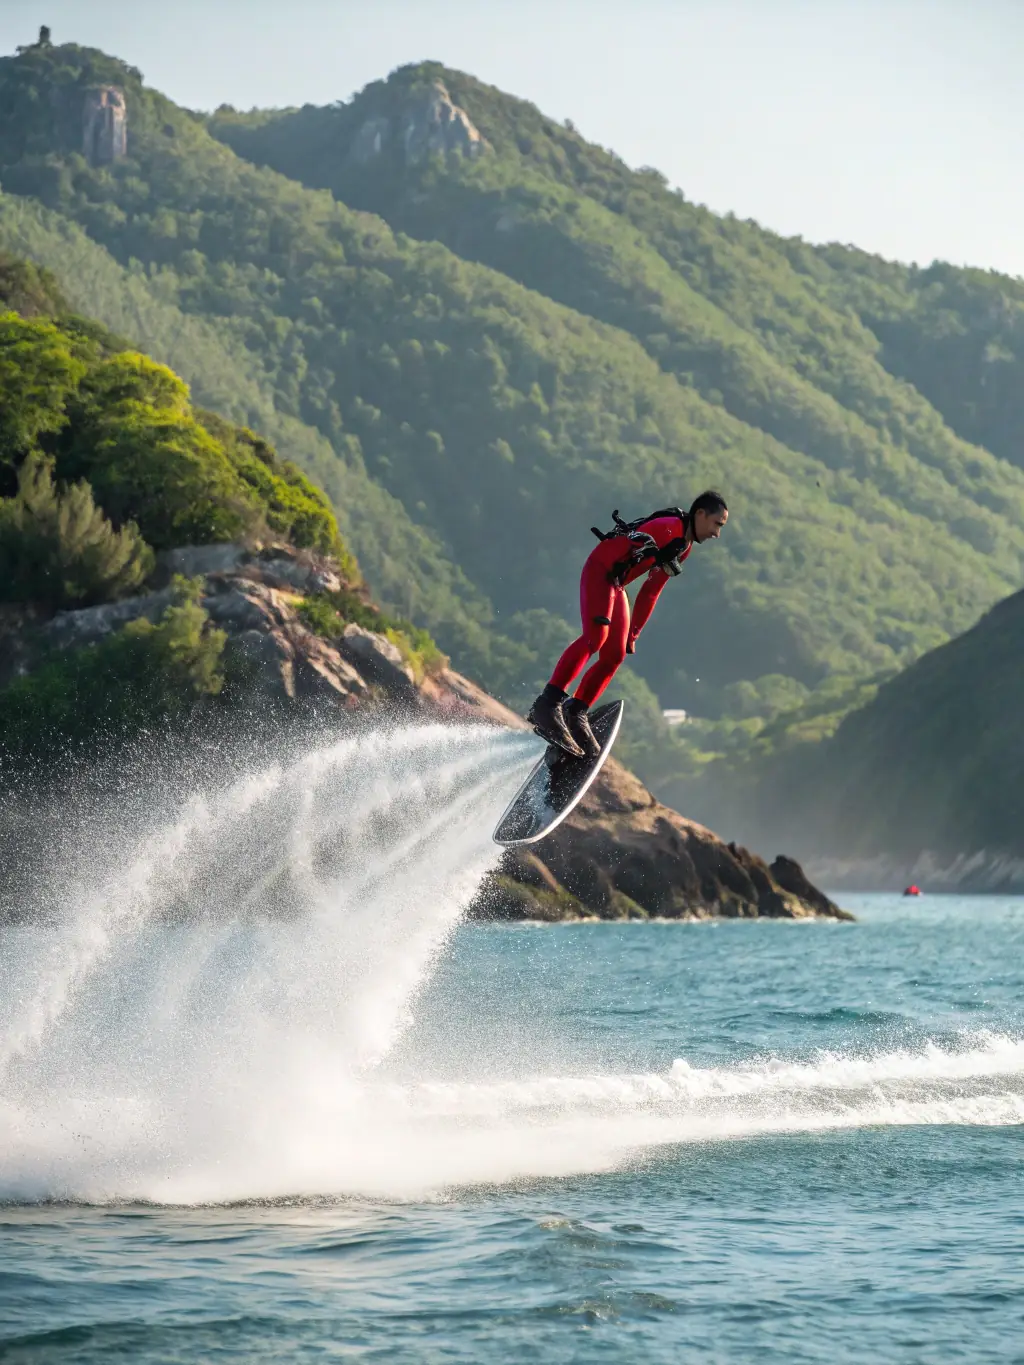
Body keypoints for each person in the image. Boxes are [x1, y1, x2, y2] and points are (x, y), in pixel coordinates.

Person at [528, 491, 729, 758]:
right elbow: (624, 550)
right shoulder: (669, 528)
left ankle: (575, 712)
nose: (717, 533)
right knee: (595, 637)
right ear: (701, 514)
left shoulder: (684, 546)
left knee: (615, 654)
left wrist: (633, 631)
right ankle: (548, 703)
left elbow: (651, 589)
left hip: (616, 584)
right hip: (601, 570)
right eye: (717, 524)